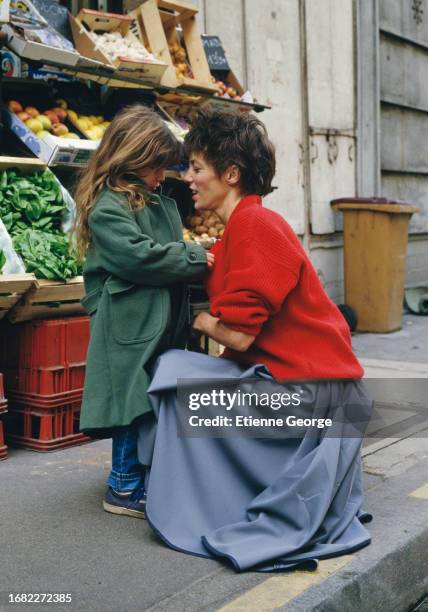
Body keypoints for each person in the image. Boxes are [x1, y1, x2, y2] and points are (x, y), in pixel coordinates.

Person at [137, 107, 372, 572]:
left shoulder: (254, 226)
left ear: (230, 173)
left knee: (175, 379)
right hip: (315, 390)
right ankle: (206, 492)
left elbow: (240, 337)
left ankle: (196, 501)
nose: (188, 177)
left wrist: (199, 323)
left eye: (197, 167)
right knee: (183, 374)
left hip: (315, 400)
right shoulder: (245, 225)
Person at [74, 104, 213, 519]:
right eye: (157, 166)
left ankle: (139, 478)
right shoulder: (108, 207)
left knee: (149, 401)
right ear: (132, 158)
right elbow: (138, 258)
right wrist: (192, 255)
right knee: (130, 404)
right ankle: (122, 486)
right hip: (127, 321)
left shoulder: (148, 201)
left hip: (152, 318)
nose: (162, 175)